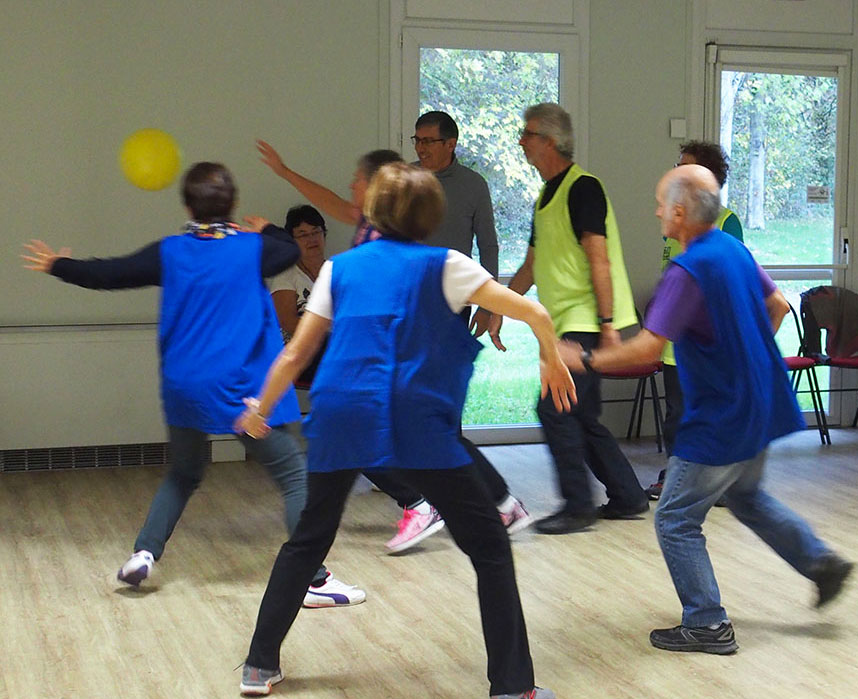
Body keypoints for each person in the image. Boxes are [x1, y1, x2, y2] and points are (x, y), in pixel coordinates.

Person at [235, 163, 573, 699]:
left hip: (342, 413)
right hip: (414, 419)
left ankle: (259, 666)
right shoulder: (447, 264)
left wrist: (260, 410)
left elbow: (294, 354)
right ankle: (513, 690)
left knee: (308, 540)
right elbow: (532, 309)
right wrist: (550, 355)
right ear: (430, 216)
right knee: (489, 547)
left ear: (374, 213)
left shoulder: (338, 269)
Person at [20, 162, 364, 608]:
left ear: (187, 206)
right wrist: (268, 228)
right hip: (242, 391)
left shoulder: (170, 251)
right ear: (234, 205)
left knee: (184, 472)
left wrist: (57, 265)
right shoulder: (253, 247)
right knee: (294, 477)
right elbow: (284, 249)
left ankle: (144, 553)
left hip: (183, 386)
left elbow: (110, 274)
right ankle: (312, 580)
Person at [558, 164, 854, 653]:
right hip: (759, 400)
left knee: (674, 517)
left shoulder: (688, 268)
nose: (655, 211)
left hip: (722, 415)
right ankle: (820, 561)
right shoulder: (733, 250)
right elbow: (778, 305)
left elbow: (648, 351)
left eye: (660, 203)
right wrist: (742, 352)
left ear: (679, 211)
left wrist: (583, 357)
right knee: (746, 497)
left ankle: (708, 623)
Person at [257, 141, 531, 550]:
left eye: (358, 180)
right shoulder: (367, 221)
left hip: (403, 337)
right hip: (380, 343)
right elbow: (325, 199)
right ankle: (476, 503)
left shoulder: (394, 237)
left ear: (378, 187)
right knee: (378, 427)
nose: (350, 186)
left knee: (400, 428)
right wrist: (283, 171)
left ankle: (453, 504)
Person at [489, 102, 648, 534]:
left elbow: (599, 260)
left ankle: (577, 507)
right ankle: (629, 496)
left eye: (528, 133)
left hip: (589, 322)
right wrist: (497, 307)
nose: (521, 141)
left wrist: (610, 326)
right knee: (578, 414)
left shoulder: (584, 188)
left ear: (551, 141)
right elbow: (531, 266)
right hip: (562, 325)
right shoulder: (546, 196)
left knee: (555, 408)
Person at [645, 140, 743, 499]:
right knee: (677, 413)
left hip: (707, 344)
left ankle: (718, 483)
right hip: (675, 343)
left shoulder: (726, 223)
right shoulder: (674, 221)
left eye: (683, 167)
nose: (675, 172)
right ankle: (676, 475)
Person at [411, 110, 500, 336]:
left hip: (454, 299)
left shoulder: (473, 185)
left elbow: (488, 246)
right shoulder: (404, 179)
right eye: (418, 140)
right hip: (408, 295)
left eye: (428, 141)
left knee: (448, 369)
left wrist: (487, 306)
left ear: (451, 144)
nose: (421, 148)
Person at [270, 204, 327, 386]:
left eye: (315, 231)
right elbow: (287, 321)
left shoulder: (336, 271)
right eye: (302, 234)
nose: (311, 239)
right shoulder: (286, 275)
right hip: (299, 352)